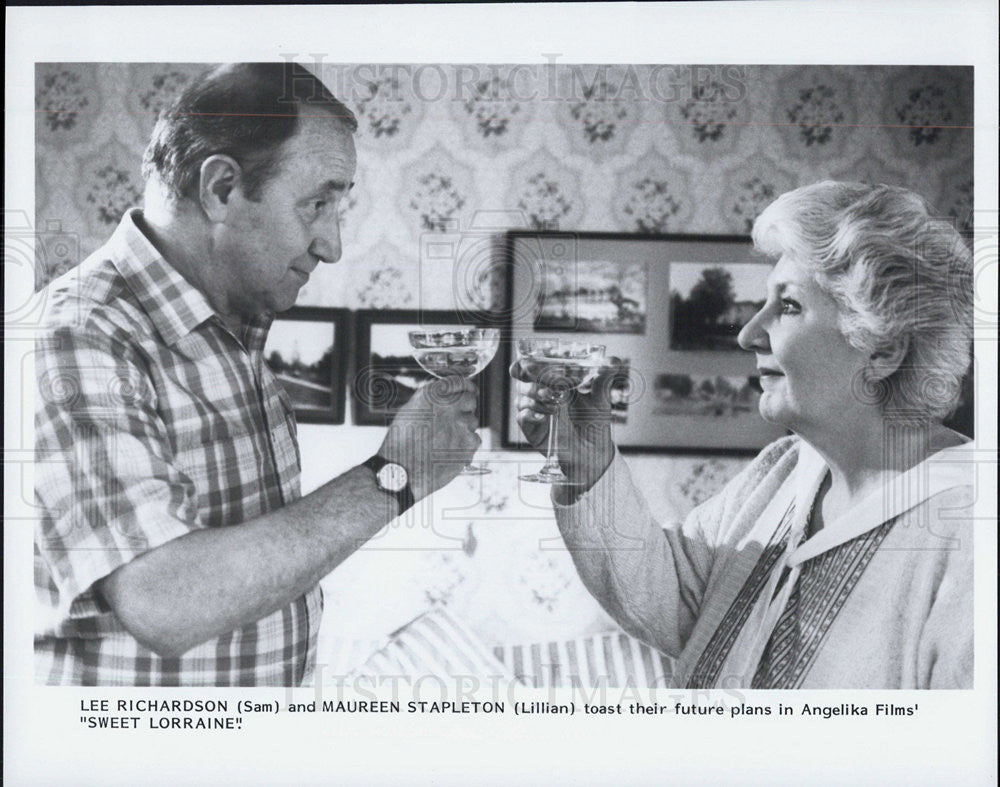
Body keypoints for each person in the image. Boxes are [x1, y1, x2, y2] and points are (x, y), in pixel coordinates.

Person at [34, 63, 480, 686]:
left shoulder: (230, 327)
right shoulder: (80, 334)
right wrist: (396, 474)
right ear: (220, 189)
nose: (332, 245)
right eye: (317, 204)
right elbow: (163, 600)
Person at [513, 181, 975, 689]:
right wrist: (589, 463)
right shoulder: (783, 471)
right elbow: (677, 600)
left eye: (790, 306)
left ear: (884, 348)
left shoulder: (969, 533)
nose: (748, 334)